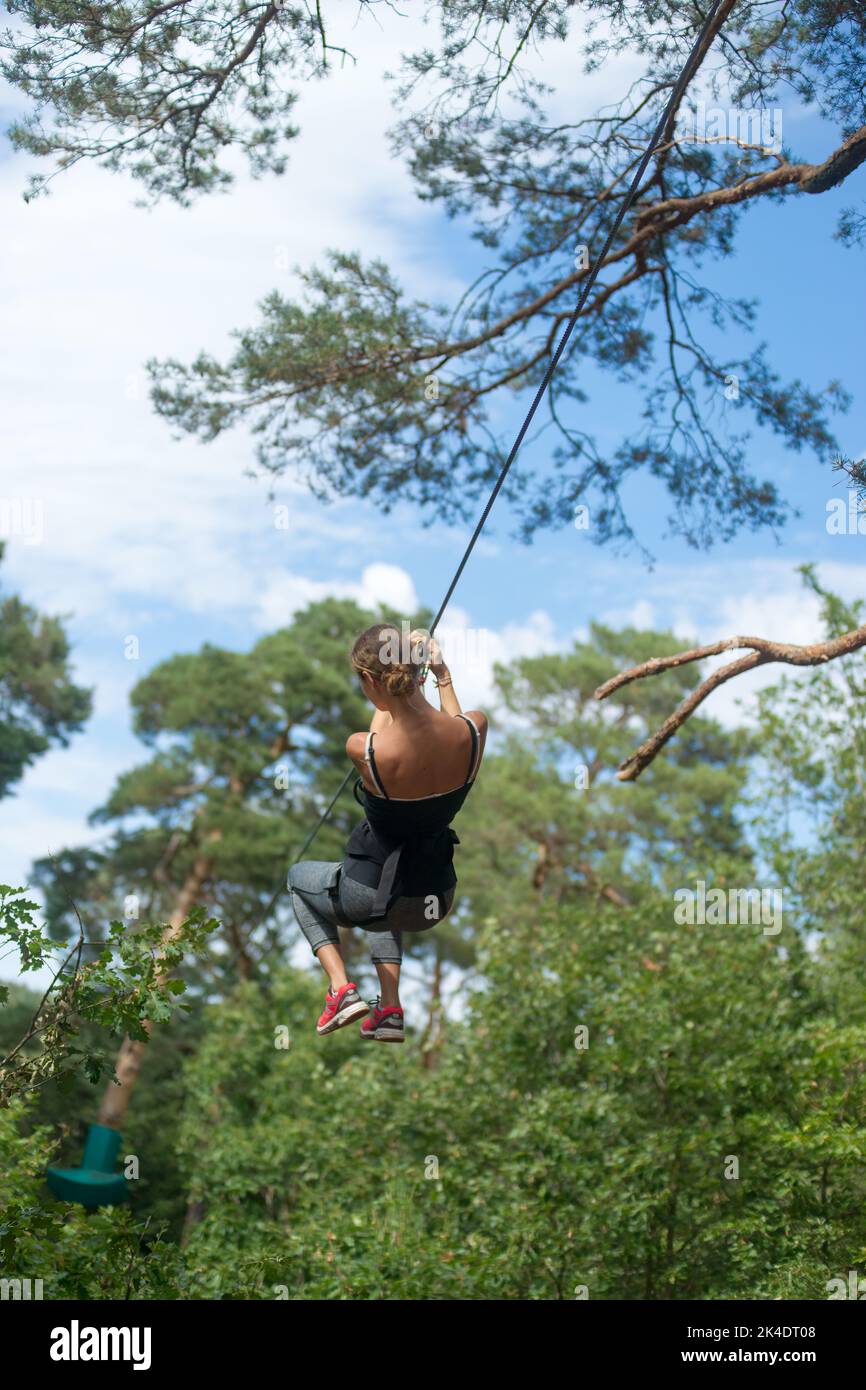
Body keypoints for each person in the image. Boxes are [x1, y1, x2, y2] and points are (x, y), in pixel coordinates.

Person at [288, 624, 487, 1042]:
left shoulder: (365, 749)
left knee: (298, 879)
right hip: (434, 899)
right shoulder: (474, 730)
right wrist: (440, 674)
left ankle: (341, 989)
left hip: (369, 896)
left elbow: (381, 735)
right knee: (389, 888)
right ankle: (390, 1009)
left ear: (369, 679)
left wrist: (404, 685)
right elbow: (450, 724)